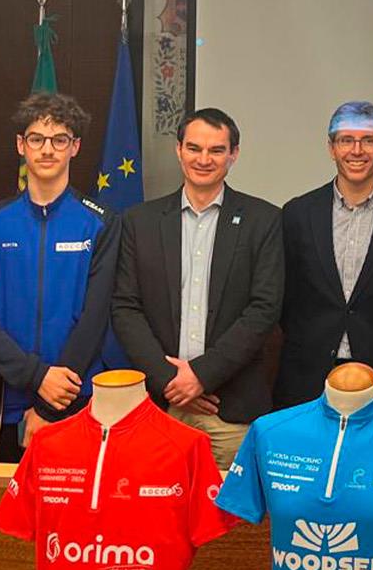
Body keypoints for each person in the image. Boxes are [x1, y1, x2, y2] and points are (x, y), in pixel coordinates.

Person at [111, 108, 284, 470]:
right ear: (178, 150)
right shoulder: (139, 222)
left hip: (229, 412)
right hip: (157, 406)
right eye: (194, 148)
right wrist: (171, 382)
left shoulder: (263, 220)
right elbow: (126, 308)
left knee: (230, 508)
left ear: (234, 154)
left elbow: (264, 309)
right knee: (154, 504)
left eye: (216, 150)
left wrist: (202, 376)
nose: (203, 159)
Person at [0, 93, 121, 461]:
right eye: (36, 139)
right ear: (21, 145)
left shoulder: (101, 223)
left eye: (59, 139)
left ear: (75, 147)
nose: (47, 150)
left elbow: (97, 317)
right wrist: (36, 376)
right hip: (1, 402)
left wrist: (51, 401)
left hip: (76, 401)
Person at [274, 101, 373, 407]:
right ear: (331, 148)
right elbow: (284, 298)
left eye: (368, 140)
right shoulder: (298, 213)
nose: (356, 150)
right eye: (346, 140)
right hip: (307, 377)